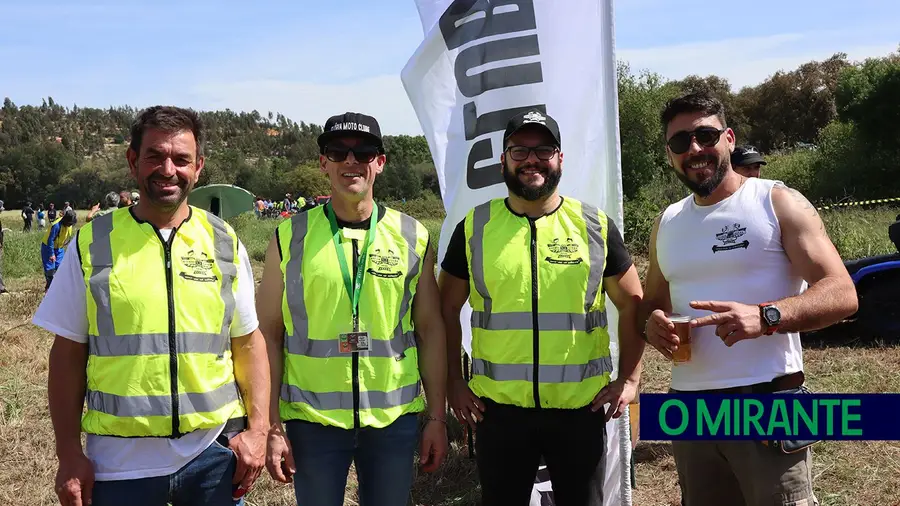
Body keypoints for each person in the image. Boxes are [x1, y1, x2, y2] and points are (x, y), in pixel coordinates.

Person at [33, 105, 270, 506]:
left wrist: (259, 429)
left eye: (181, 159)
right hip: (119, 468)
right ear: (132, 161)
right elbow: (68, 356)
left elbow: (248, 344)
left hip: (213, 457)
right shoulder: (93, 243)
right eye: (155, 156)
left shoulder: (223, 241)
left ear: (199, 167)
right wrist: (69, 454)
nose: (168, 169)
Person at [642, 92, 858, 506]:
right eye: (680, 142)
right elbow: (652, 304)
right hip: (690, 409)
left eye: (705, 135)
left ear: (728, 137)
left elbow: (842, 293)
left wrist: (768, 315)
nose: (695, 149)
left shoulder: (776, 201)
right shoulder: (666, 223)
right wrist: (651, 324)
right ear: (669, 153)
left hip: (768, 402)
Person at [439, 109, 645, 506]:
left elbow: (633, 302)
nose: (531, 159)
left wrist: (631, 379)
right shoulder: (474, 227)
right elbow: (445, 309)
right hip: (498, 413)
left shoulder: (594, 226)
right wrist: (453, 381)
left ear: (560, 159)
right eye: (519, 150)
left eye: (544, 150)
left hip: (579, 410)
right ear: (503, 160)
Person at [258, 112, 448, 506]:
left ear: (379, 161)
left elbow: (430, 329)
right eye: (337, 151)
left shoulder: (413, 235)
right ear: (323, 162)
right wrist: (271, 424)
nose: (351, 161)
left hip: (393, 420)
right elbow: (269, 333)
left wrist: (437, 417)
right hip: (314, 422)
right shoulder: (290, 236)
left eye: (363, 152)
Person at [41, 209, 77, 290]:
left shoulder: (69, 225)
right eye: (70, 223)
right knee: (50, 269)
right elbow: (50, 240)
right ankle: (49, 288)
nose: (71, 225)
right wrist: (52, 254)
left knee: (60, 268)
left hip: (59, 248)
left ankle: (58, 288)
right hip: (48, 247)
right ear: (66, 220)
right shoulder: (56, 225)